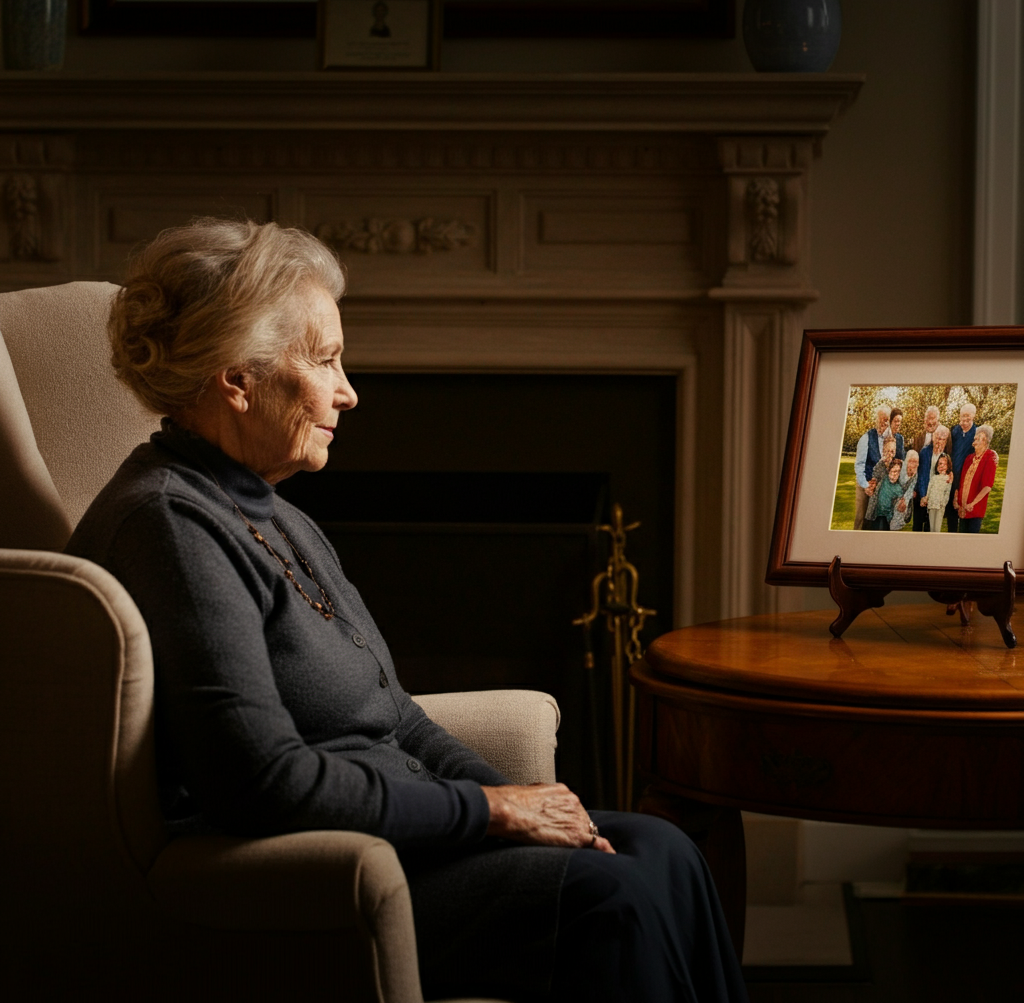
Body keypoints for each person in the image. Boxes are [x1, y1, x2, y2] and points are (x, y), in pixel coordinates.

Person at [66, 219, 748, 1003]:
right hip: (324, 870)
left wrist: (532, 808)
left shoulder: (270, 505)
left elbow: (400, 717)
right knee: (617, 898)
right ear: (237, 378)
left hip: (408, 829)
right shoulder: (170, 527)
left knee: (665, 850)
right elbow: (262, 784)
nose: (349, 391)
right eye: (324, 361)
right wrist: (489, 812)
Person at [954, 424, 998, 534]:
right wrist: (957, 501)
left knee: (971, 540)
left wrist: (972, 504)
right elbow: (961, 482)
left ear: (986, 442)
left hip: (975, 509)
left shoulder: (990, 456)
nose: (976, 439)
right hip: (962, 508)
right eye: (976, 437)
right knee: (960, 539)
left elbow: (987, 487)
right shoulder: (969, 458)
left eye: (980, 438)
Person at [854, 406, 892, 530]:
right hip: (865, 484)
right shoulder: (866, 438)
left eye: (886, 420)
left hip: (882, 487)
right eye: (881, 419)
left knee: (876, 522)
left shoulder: (892, 438)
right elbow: (859, 465)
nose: (884, 422)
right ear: (876, 420)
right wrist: (866, 485)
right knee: (861, 519)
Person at [946, 404, 977, 533]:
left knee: (964, 508)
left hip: (967, 477)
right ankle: (951, 535)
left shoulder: (978, 432)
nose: (964, 423)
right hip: (953, 474)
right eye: (962, 419)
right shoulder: (955, 431)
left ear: (973, 417)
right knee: (951, 509)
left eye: (967, 420)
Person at [909, 405, 939, 530]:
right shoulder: (917, 438)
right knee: (917, 522)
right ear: (924, 420)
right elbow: (911, 464)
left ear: (937, 420)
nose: (930, 422)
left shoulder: (942, 437)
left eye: (933, 418)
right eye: (928, 418)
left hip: (934, 486)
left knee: (930, 524)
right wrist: (913, 487)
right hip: (918, 485)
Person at [917, 423, 952, 532]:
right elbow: (921, 475)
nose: (939, 442)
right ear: (933, 438)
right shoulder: (925, 452)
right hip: (924, 494)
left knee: (933, 527)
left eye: (942, 439)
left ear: (946, 441)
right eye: (937, 438)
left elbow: (949, 471)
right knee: (918, 526)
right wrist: (923, 495)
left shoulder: (946, 456)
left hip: (937, 498)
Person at [868, 458, 908, 530]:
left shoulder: (898, 488)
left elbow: (900, 507)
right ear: (889, 471)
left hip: (887, 518)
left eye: (898, 471)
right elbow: (878, 467)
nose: (896, 474)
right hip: (876, 514)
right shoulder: (883, 479)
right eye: (894, 471)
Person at [921, 453, 954, 533]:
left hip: (940, 506)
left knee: (937, 528)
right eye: (940, 464)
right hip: (931, 504)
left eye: (944, 464)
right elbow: (929, 489)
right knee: (932, 528)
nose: (941, 466)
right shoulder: (934, 478)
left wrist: (943, 504)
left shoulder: (948, 478)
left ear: (948, 466)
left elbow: (947, 493)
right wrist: (927, 499)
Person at [890, 449, 919, 531]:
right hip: (894, 497)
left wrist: (905, 501)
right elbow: (894, 483)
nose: (913, 464)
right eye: (911, 461)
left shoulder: (915, 474)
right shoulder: (900, 468)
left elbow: (911, 488)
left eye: (915, 462)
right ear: (906, 461)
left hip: (904, 499)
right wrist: (900, 499)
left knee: (899, 521)